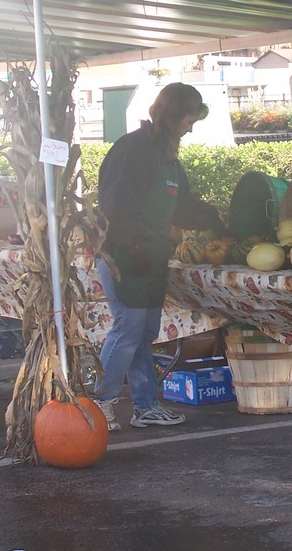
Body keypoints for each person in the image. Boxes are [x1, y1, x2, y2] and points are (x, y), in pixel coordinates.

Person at [95, 82, 227, 431]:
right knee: (127, 330)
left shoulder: (168, 156)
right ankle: (97, 405)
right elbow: (114, 205)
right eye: (189, 118)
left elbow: (181, 205)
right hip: (125, 257)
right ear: (173, 114)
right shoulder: (133, 150)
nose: (192, 126)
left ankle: (145, 406)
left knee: (143, 334)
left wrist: (215, 220)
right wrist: (134, 246)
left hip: (151, 259)